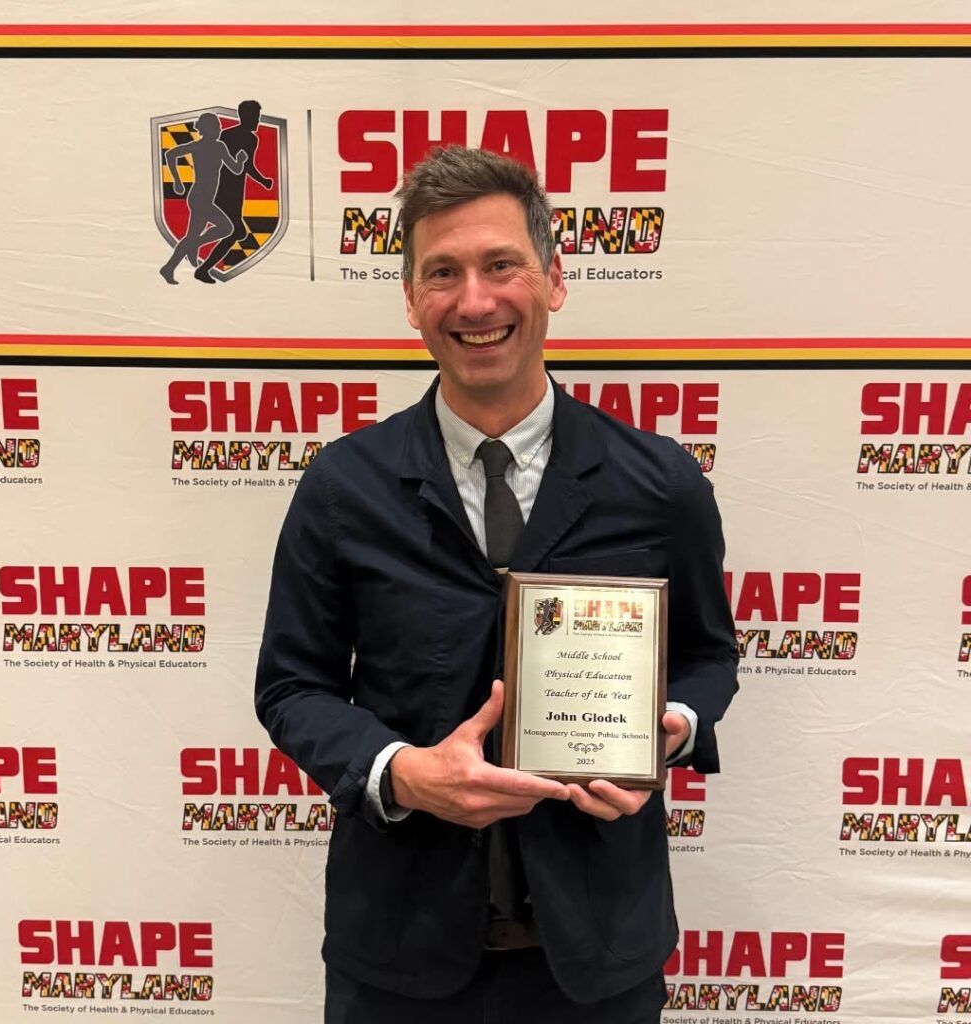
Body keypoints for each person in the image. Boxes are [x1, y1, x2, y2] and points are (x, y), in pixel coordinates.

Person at [255, 145, 738, 1023]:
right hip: (396, 959)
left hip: (598, 960)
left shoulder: (659, 484)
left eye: (501, 265)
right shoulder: (344, 486)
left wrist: (669, 729)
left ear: (554, 279)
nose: (474, 302)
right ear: (411, 300)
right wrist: (401, 772)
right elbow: (292, 686)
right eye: (442, 272)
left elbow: (709, 659)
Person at [159, 111, 247, 284]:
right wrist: (177, 180)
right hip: (201, 198)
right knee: (226, 228)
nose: (220, 129)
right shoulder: (214, 147)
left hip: (201, 197)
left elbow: (170, 154)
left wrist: (178, 181)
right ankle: (191, 248)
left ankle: (169, 267)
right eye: (217, 127)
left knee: (192, 236)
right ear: (208, 129)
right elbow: (170, 154)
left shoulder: (208, 146)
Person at [193, 99, 274, 284]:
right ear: (245, 116)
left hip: (237, 192)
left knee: (236, 232)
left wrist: (263, 181)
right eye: (256, 116)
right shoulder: (228, 136)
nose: (258, 120)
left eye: (258, 116)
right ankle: (201, 264)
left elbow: (247, 165)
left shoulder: (251, 139)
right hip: (222, 190)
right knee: (236, 232)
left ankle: (197, 253)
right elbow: (221, 161)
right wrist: (263, 180)